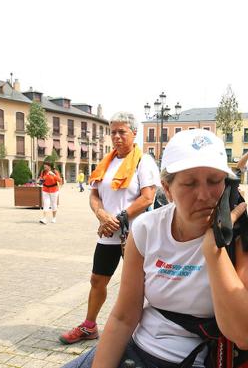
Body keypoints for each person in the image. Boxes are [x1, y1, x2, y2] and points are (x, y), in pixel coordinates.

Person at [61, 129, 248, 367]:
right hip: (138, 348)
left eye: (215, 180)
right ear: (167, 190)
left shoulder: (244, 235)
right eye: (189, 183)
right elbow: (123, 318)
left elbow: (245, 336)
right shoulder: (147, 228)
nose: (204, 195)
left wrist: (214, 251)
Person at [59, 112, 160, 344]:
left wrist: (119, 218)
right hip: (108, 232)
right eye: (113, 132)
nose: (116, 137)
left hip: (134, 234)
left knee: (137, 284)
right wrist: (102, 215)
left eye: (121, 132)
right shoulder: (107, 161)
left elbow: (147, 198)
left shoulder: (144, 162)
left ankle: (142, 332)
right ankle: (89, 326)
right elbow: (94, 194)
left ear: (134, 134)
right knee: (97, 279)